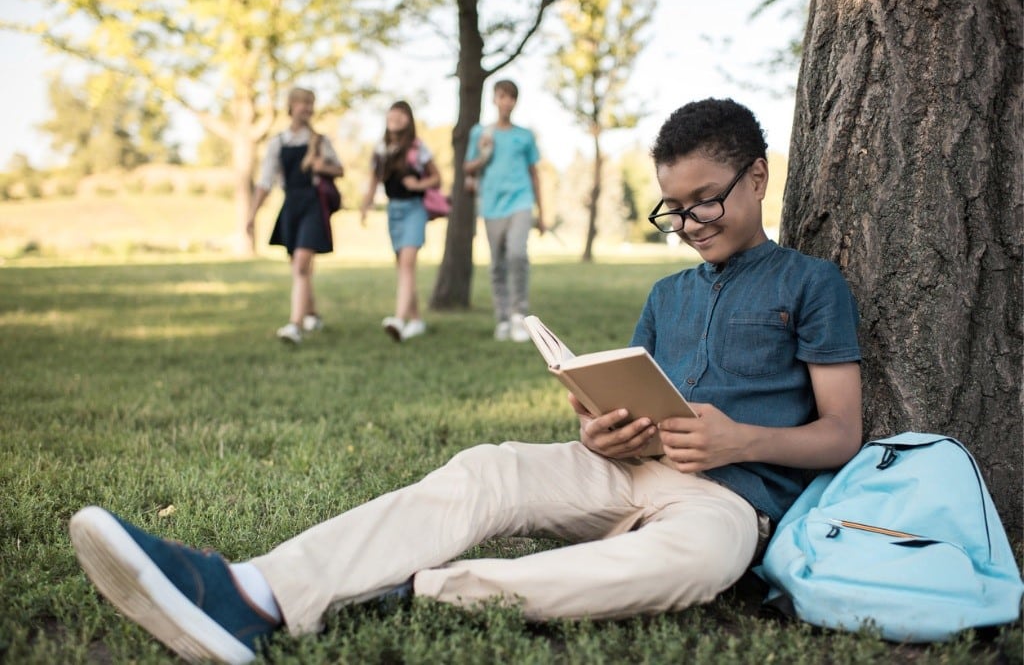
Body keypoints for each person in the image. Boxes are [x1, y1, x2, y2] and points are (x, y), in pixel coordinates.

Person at [68, 98, 864, 665]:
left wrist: (739, 438)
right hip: (624, 472)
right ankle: (249, 591)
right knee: (486, 468)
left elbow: (842, 431)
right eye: (673, 209)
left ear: (758, 177)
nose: (690, 223)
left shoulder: (809, 283)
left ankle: (432, 589)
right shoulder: (668, 295)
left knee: (695, 561)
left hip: (728, 504)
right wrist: (601, 429)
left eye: (706, 201)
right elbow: (634, 392)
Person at [249, 87, 345, 344]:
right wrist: (252, 215)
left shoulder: (319, 141)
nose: (307, 108)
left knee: (301, 263)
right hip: (291, 205)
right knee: (299, 267)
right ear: (291, 106)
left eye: (311, 103)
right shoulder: (278, 143)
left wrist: (321, 166)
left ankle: (295, 325)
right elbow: (265, 182)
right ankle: (312, 313)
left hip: (314, 204)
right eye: (303, 103)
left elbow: (340, 170)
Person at [464, 79, 547, 343]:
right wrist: (484, 153)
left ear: (515, 102)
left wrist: (542, 212)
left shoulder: (524, 136)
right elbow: (468, 168)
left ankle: (518, 316)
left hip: (521, 201)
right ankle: (502, 318)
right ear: (494, 99)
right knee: (498, 263)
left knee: (517, 254)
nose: (506, 102)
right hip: (491, 205)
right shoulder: (480, 133)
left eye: (511, 97)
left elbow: (535, 174)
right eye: (502, 96)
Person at [359, 100, 440, 342]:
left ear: (409, 119)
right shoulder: (381, 148)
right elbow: (374, 179)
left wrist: (418, 184)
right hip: (393, 210)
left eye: (402, 113)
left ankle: (399, 319)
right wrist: (366, 205)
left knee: (406, 265)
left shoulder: (417, 147)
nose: (396, 116)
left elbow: (437, 178)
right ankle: (415, 320)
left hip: (414, 209)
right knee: (403, 267)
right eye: (392, 112)